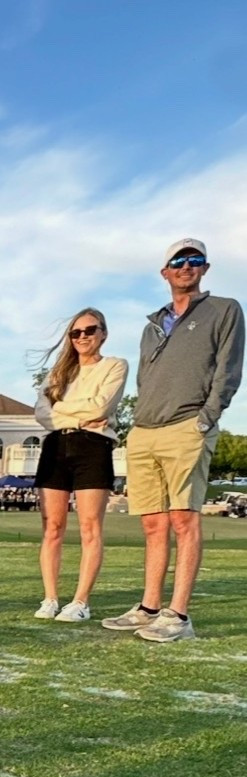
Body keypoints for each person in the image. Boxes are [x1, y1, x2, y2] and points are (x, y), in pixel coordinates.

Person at [103, 239, 245, 642]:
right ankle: (149, 608)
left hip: (188, 425)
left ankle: (178, 616)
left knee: (184, 519)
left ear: (205, 268)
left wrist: (206, 418)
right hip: (144, 429)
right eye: (178, 261)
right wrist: (136, 425)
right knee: (152, 524)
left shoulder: (225, 309)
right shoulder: (153, 325)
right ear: (165, 272)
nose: (186, 266)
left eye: (194, 259)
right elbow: (145, 380)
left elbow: (228, 369)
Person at [32, 309, 128, 622]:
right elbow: (42, 413)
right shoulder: (57, 374)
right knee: (52, 527)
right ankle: (50, 598)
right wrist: (78, 414)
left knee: (90, 526)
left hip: (93, 446)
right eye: (76, 332)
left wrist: (61, 408)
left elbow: (102, 406)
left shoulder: (114, 365)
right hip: (56, 446)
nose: (83, 337)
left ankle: (80, 602)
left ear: (103, 333)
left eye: (90, 330)